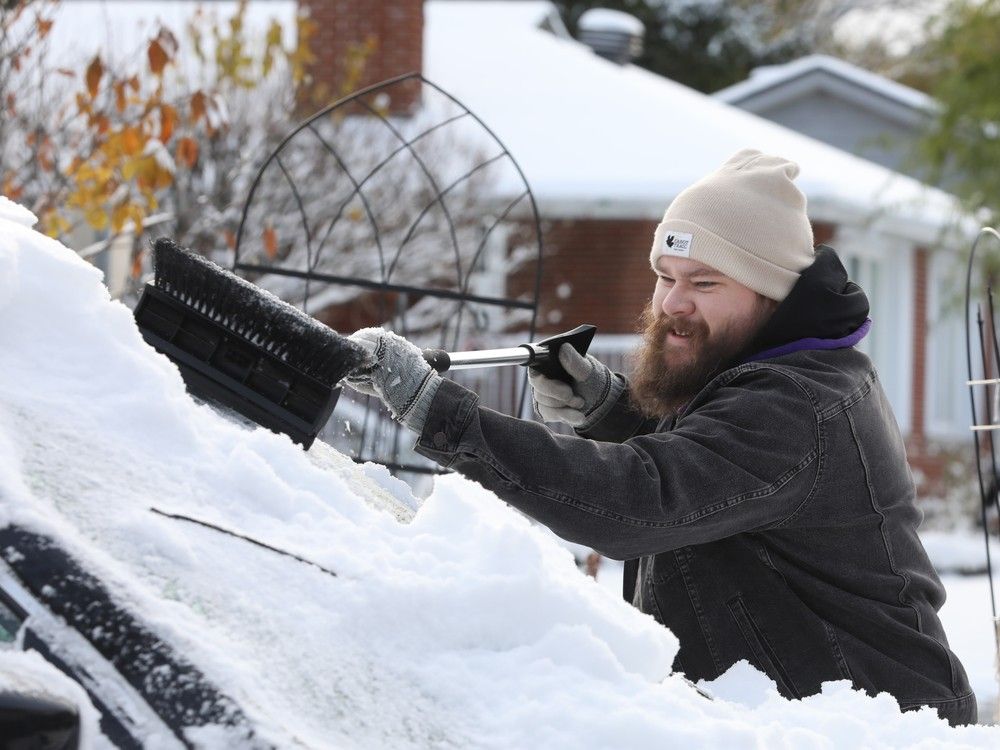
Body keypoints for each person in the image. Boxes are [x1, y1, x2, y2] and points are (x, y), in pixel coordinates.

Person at [344, 149, 976, 725]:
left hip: (867, 728)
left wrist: (442, 416)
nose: (673, 302)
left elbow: (642, 499)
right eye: (665, 275)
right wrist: (611, 409)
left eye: (704, 282)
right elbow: (718, 468)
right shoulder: (775, 376)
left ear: (772, 296)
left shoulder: (797, 404)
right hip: (802, 718)